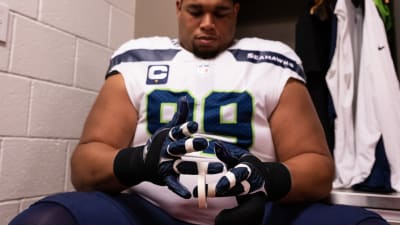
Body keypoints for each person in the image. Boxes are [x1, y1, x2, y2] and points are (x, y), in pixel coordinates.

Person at [9, 0, 390, 225]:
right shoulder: (137, 57)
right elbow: (86, 164)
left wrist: (266, 177)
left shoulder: (272, 59)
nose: (208, 23)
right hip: (148, 211)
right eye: (195, 10)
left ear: (237, 10)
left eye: (221, 12)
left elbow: (318, 169)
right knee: (48, 220)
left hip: (256, 213)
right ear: (177, 6)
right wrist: (139, 161)